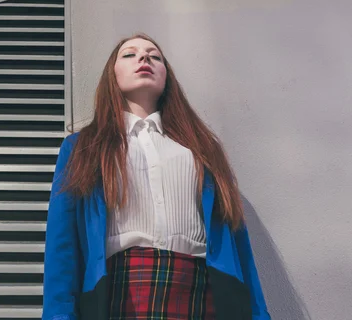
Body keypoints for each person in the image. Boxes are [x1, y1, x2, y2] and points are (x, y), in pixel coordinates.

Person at [42, 33, 271, 320]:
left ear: (166, 76)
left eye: (155, 55)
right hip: (119, 291)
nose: (144, 58)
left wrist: (259, 314)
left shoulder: (202, 148)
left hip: (207, 290)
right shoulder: (83, 147)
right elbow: (62, 247)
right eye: (129, 54)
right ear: (112, 75)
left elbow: (238, 242)